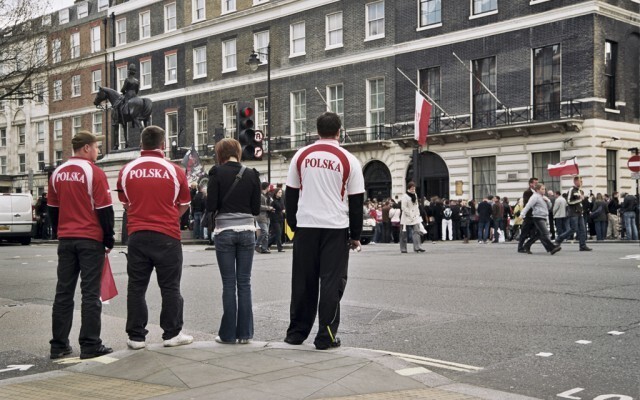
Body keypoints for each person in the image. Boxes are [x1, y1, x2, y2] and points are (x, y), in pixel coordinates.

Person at [284, 112, 365, 350]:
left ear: (316, 131)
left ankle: (296, 333)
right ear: (339, 131)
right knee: (332, 283)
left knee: (303, 281)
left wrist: (294, 225)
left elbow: (291, 194)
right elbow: (356, 201)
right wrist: (356, 235)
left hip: (306, 225)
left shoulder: (301, 155)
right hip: (335, 227)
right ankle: (326, 335)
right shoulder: (349, 159)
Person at [117, 125, 193, 350]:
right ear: (163, 145)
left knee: (136, 287)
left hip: (138, 235)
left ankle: (136, 336)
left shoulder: (127, 169)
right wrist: (169, 217)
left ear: (141, 144)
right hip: (167, 234)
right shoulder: (175, 170)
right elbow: (185, 204)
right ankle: (171, 334)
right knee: (170, 287)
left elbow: (125, 203)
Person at [48, 131, 114, 360]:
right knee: (90, 293)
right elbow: (105, 209)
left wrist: (61, 232)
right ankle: (90, 344)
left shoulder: (57, 172)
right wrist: (109, 238)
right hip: (90, 238)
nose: (98, 151)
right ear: (86, 148)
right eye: (96, 147)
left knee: (63, 292)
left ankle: (58, 345)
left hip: (66, 238)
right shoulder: (94, 172)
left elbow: (53, 210)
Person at [206, 138, 261, 344]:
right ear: (238, 152)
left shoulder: (216, 173)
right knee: (244, 283)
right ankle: (245, 334)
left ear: (220, 153)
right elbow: (255, 209)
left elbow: (211, 205)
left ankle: (228, 335)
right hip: (247, 231)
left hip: (225, 231)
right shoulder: (252, 173)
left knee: (229, 284)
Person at [554, 176, 592, 251]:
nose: (581, 183)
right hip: (573, 213)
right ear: (575, 181)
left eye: (582, 181)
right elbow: (569, 201)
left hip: (579, 212)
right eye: (580, 181)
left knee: (583, 229)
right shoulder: (572, 190)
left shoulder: (580, 191)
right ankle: (559, 239)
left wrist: (585, 200)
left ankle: (582, 245)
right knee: (573, 229)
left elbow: (579, 202)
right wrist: (580, 199)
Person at [522, 184, 561, 255]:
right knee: (545, 233)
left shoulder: (544, 197)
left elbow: (549, 208)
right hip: (537, 217)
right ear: (537, 190)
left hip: (544, 217)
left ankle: (527, 245)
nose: (544, 190)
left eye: (544, 189)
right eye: (542, 189)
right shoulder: (534, 197)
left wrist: (548, 201)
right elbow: (528, 205)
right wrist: (522, 214)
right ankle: (552, 247)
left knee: (538, 235)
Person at [399, 182, 426, 253]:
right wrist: (410, 214)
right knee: (403, 233)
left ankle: (417, 247)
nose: (413, 189)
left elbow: (416, 205)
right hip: (406, 216)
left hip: (415, 216)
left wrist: (418, 214)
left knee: (417, 231)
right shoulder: (405, 196)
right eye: (412, 188)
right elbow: (403, 207)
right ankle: (403, 248)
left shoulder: (415, 195)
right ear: (409, 188)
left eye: (414, 188)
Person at [517, 178, 539, 253]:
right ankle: (520, 247)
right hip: (529, 216)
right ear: (531, 184)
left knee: (536, 233)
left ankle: (527, 246)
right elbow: (527, 203)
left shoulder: (538, 192)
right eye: (535, 183)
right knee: (524, 232)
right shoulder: (527, 192)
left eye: (537, 183)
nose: (537, 185)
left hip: (536, 215)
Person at [256, 182, 273, 253]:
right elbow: (259, 206)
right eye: (269, 186)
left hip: (267, 216)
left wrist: (271, 208)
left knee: (266, 234)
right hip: (261, 216)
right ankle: (256, 244)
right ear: (266, 187)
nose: (270, 188)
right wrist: (268, 208)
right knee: (265, 231)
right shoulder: (260, 195)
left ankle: (264, 248)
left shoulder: (268, 195)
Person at [269, 188, 285, 252]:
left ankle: (266, 245)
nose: (280, 194)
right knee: (278, 233)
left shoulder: (281, 200)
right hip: (274, 219)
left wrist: (284, 210)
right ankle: (280, 248)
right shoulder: (273, 201)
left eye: (281, 192)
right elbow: (272, 208)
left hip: (280, 218)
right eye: (279, 192)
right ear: (276, 193)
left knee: (277, 234)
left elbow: (283, 207)